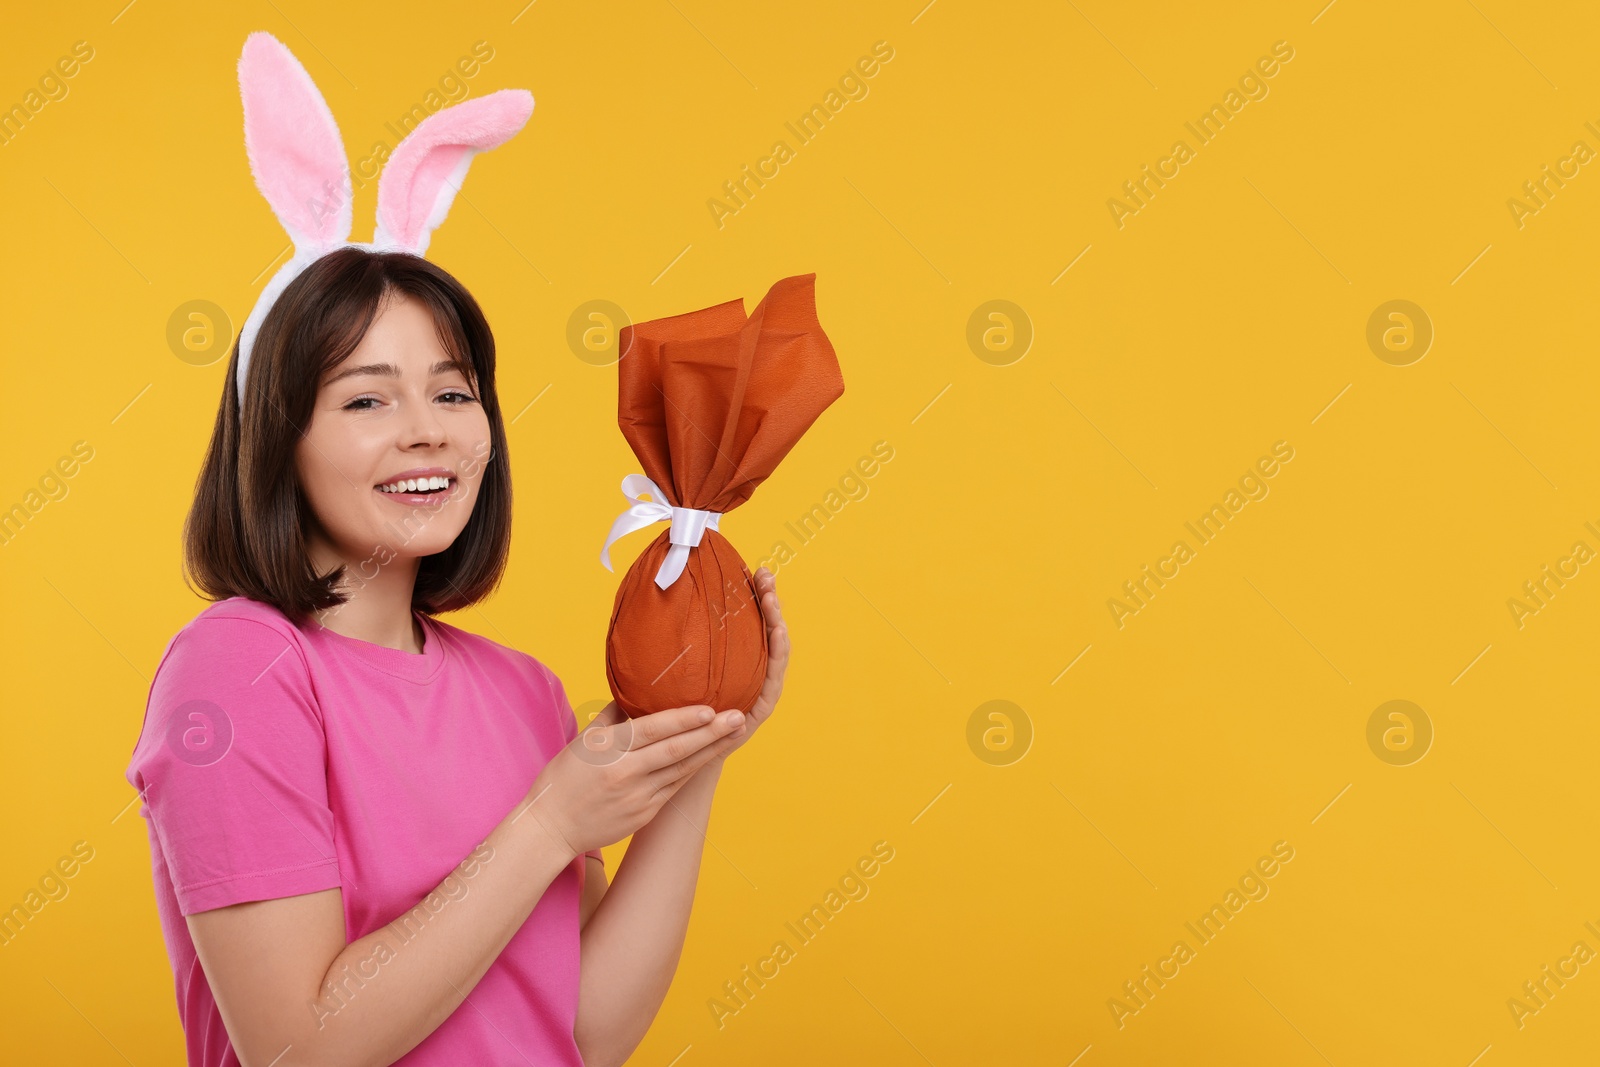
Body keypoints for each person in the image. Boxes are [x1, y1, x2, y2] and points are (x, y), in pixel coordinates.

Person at [123, 246, 790, 1066]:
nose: (428, 430)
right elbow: (298, 1049)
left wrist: (695, 753)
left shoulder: (521, 689)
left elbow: (584, 1028)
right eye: (367, 398)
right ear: (276, 438)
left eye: (452, 392)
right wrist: (549, 822)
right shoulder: (238, 669)